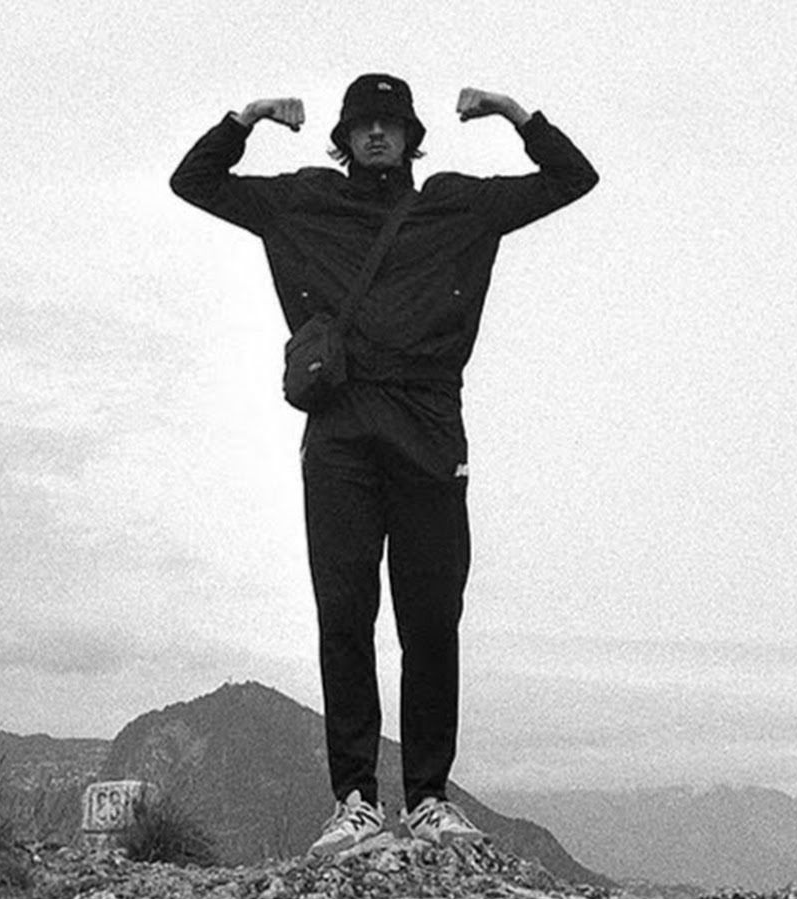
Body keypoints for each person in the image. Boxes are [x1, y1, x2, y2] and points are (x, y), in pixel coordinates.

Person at [170, 73, 598, 855]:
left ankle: (429, 799)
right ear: (344, 137)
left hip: (429, 426)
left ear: (410, 136)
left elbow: (573, 178)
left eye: (390, 123)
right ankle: (356, 802)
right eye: (363, 123)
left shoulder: (458, 206)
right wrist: (247, 118)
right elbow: (193, 181)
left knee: (431, 622)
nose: (376, 134)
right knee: (345, 618)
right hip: (340, 431)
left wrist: (512, 112)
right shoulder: (302, 202)